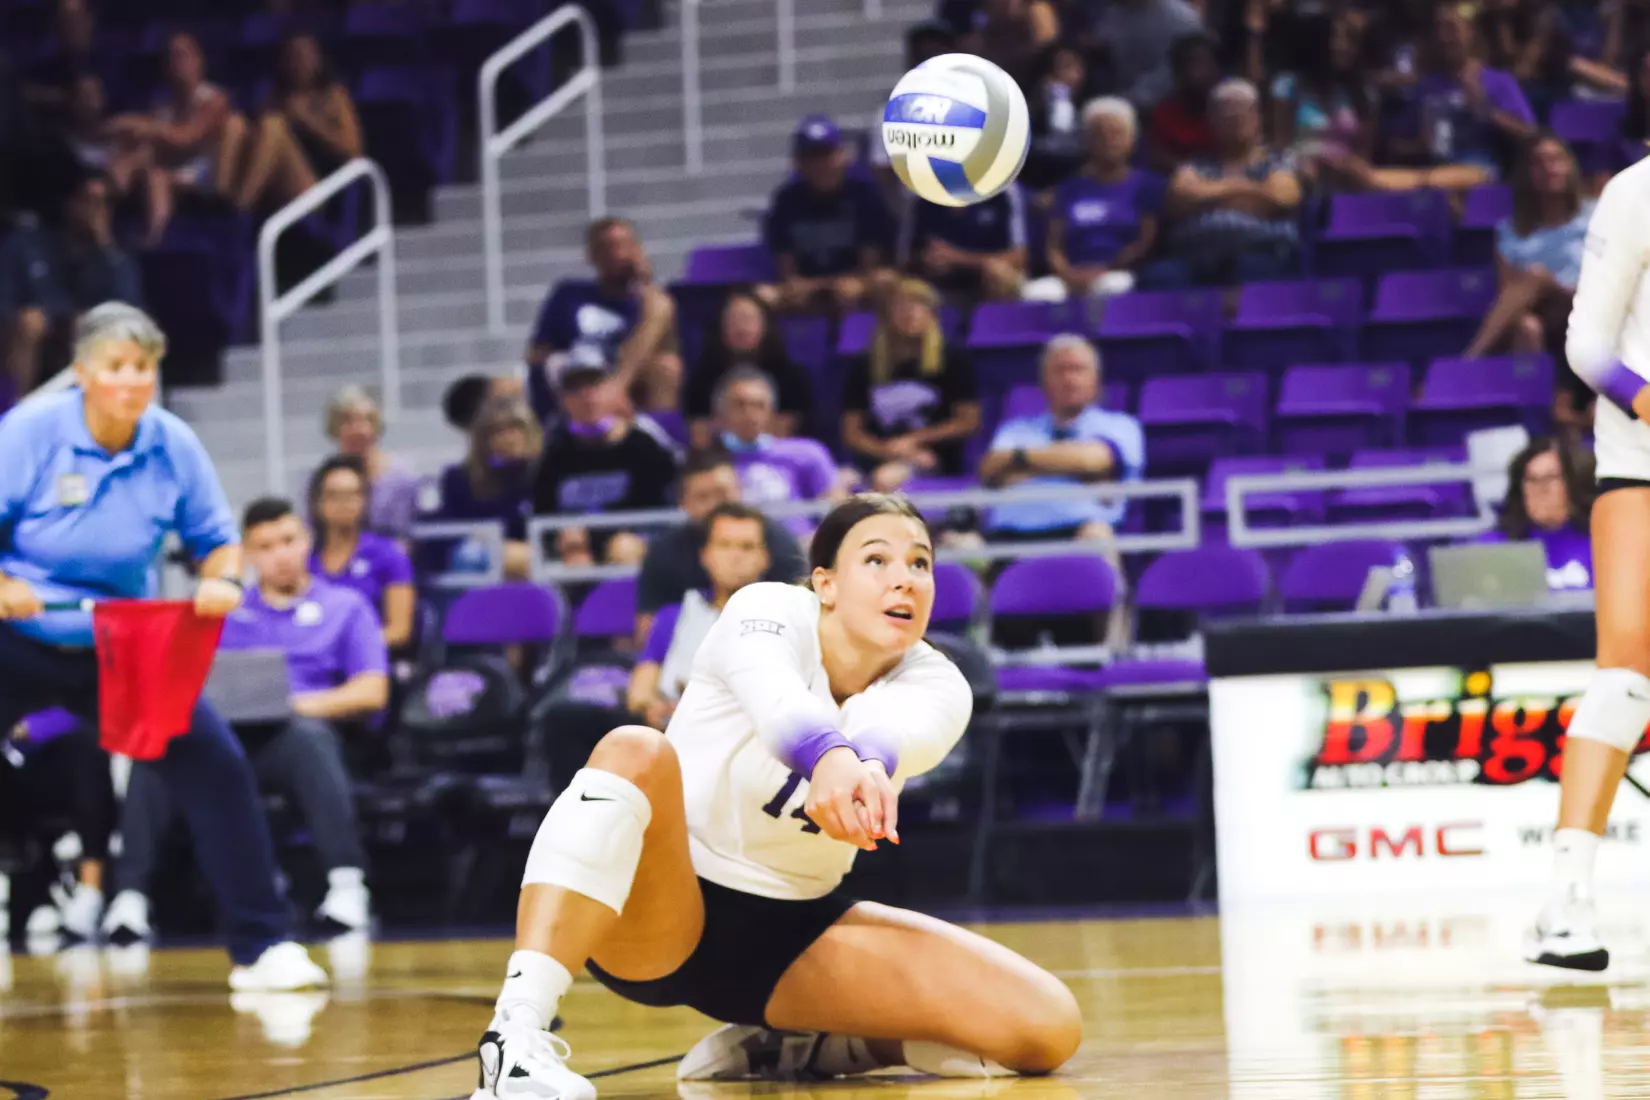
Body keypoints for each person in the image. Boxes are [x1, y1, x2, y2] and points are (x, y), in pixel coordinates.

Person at [467, 494, 1082, 1099]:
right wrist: (832, 760)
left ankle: (807, 1046)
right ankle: (515, 1039)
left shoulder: (940, 679)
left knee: (1045, 1026)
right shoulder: (765, 610)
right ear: (826, 583)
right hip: (662, 903)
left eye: (920, 564)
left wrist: (864, 766)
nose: (906, 580)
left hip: (789, 932)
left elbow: (889, 734)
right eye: (877, 560)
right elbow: (778, 701)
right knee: (634, 747)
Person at [0, 302, 325, 989]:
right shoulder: (28, 432)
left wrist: (222, 581)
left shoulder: (171, 442)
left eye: (144, 367)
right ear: (83, 372)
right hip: (18, 636)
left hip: (120, 642)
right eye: (117, 366)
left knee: (216, 764)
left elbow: (217, 544)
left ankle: (261, 947)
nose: (132, 381)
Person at [105, 497, 388, 941]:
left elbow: (372, 690)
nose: (280, 553)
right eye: (266, 546)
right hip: (228, 738)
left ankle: (346, 884)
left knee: (308, 740)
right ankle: (130, 898)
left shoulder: (346, 607)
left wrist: (291, 703)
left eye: (289, 540)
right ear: (250, 556)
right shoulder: (226, 615)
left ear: (306, 542)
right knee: (159, 747)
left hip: (297, 736)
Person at [1527, 152, 1650, 971]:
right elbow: (1587, 349)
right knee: (1626, 670)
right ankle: (1564, 902)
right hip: (1639, 460)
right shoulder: (1636, 191)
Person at [1464, 135, 1594, 430]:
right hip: (1545, 317)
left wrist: (1555, 286)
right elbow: (1507, 296)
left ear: (1570, 167)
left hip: (1590, 309)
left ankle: (1469, 361)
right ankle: (1539, 420)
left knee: (1536, 277)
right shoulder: (1511, 230)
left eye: (1557, 160)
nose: (1549, 168)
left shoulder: (1597, 215)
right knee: (1526, 327)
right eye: (1539, 163)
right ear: (1527, 174)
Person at [980, 334, 1145, 550]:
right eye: (1059, 370)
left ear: (1095, 379)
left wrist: (1020, 460)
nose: (1069, 378)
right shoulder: (1015, 430)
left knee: (1097, 536)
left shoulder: (1121, 426)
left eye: (1078, 369)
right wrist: (1071, 466)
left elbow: (1090, 461)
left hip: (1081, 532)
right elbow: (990, 467)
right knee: (959, 544)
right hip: (1009, 538)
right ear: (1043, 381)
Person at [634, 449, 809, 646]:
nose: (715, 506)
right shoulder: (664, 553)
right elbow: (647, 635)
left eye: (746, 547)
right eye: (703, 497)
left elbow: (802, 621)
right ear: (684, 504)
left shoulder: (779, 543)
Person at [625, 502, 771, 733]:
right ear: (706, 555)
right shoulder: (673, 616)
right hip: (675, 734)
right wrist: (652, 708)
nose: (735, 556)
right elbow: (640, 692)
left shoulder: (785, 614)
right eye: (725, 545)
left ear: (764, 558)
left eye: (747, 547)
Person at [530, 350, 679, 568]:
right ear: (563, 400)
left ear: (614, 390)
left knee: (622, 549)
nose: (587, 395)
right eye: (576, 389)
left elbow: (662, 512)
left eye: (595, 384)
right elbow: (541, 513)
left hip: (633, 546)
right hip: (573, 553)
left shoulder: (645, 445)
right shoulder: (553, 453)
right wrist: (558, 538)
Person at [1, 172, 142, 396]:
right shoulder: (26, 245)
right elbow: (5, 303)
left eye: (105, 204)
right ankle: (16, 416)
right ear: (69, 203)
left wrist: (106, 249)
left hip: (79, 343)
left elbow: (129, 308)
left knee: (93, 327)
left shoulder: (113, 258)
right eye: (89, 201)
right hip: (23, 343)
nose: (96, 211)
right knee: (30, 321)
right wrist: (58, 316)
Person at [524, 217, 682, 416]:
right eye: (606, 247)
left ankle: (657, 436)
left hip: (624, 378)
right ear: (591, 256)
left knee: (666, 365)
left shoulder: (651, 305)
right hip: (576, 374)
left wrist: (644, 282)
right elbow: (537, 353)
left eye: (624, 245)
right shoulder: (569, 293)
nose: (617, 254)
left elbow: (671, 351)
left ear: (637, 250)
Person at [1154, 78, 1302, 287]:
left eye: (1242, 112)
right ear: (1211, 120)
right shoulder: (1195, 166)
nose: (1234, 118)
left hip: (1261, 251)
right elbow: (1180, 196)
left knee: (1253, 271)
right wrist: (1253, 193)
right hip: (1193, 256)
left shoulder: (1278, 161)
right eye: (1225, 113)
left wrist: (1207, 195)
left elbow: (1282, 197)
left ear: (1258, 118)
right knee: (1160, 277)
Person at [840, 279, 981, 494]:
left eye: (920, 305)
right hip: (877, 455)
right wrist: (887, 450)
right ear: (888, 315)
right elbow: (851, 432)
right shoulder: (866, 363)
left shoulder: (952, 358)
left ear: (932, 314)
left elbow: (969, 422)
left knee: (885, 479)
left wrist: (914, 440)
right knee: (836, 483)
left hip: (933, 458)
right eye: (902, 306)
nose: (911, 313)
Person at [1024, 97, 1166, 304]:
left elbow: (1145, 242)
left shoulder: (1146, 185)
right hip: (1070, 275)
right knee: (1038, 295)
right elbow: (1053, 246)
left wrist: (1104, 269)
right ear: (1086, 141)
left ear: (1132, 139)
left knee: (1110, 288)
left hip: (1118, 272)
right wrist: (1068, 274)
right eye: (1099, 134)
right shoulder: (1068, 189)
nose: (1108, 140)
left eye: (1116, 133)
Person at [760, 115, 897, 315]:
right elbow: (786, 269)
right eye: (812, 157)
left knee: (887, 281)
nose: (820, 165)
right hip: (806, 290)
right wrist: (803, 286)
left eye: (826, 155)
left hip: (857, 284)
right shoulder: (786, 201)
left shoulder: (865, 195)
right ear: (799, 162)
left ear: (843, 155)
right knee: (764, 295)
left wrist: (857, 284)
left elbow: (871, 264)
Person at [236, 31, 361, 214]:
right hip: (275, 185)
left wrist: (307, 121)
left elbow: (353, 150)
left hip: (320, 187)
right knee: (242, 126)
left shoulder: (333, 96)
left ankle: (239, 209)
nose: (299, 62)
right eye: (292, 55)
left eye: (304, 54)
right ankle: (226, 203)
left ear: (317, 58)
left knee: (273, 125)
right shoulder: (274, 98)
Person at [425, 392, 540, 581]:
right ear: (482, 438)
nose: (509, 438)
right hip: (478, 558)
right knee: (469, 556)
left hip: (532, 559)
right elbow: (453, 532)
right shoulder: (458, 479)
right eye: (498, 431)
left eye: (516, 428)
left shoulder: (542, 472)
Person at [307, 454, 416, 649]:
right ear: (317, 501)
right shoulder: (304, 558)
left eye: (352, 494)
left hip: (370, 660)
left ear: (365, 500)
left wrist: (348, 648)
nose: (344, 503)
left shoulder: (388, 554)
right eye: (334, 495)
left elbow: (399, 631)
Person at [683, 293, 815, 447]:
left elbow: (784, 433)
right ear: (720, 328)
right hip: (719, 460)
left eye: (748, 319)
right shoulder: (702, 379)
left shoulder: (791, 377)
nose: (741, 327)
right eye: (733, 320)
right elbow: (700, 437)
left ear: (765, 326)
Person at [1476, 435, 1594, 590]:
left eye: (1551, 478)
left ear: (1573, 485)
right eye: (1532, 480)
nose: (1540, 489)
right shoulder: (1492, 549)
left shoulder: (1604, 546)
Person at [712, 367, 842, 509]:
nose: (749, 413)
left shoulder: (808, 453)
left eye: (759, 405)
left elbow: (835, 508)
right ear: (721, 412)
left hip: (801, 532)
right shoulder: (705, 462)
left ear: (771, 412)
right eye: (739, 405)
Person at [323, 384, 422, 539]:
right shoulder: (323, 479)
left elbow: (405, 536)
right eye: (348, 421)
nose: (358, 430)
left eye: (366, 420)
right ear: (334, 428)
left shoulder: (401, 477)